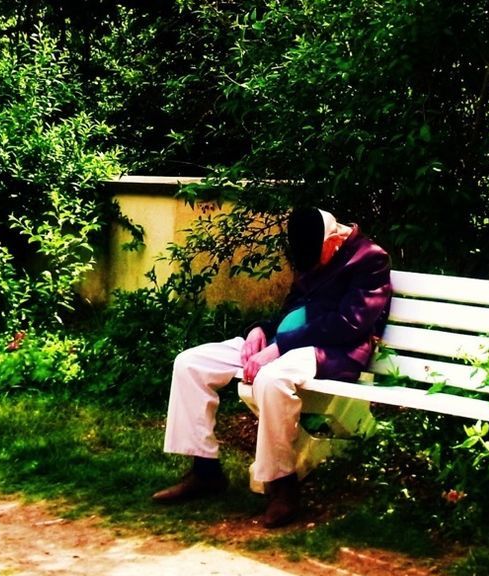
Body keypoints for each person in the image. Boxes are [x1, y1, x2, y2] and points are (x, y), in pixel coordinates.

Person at [152, 207, 392, 528]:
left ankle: (282, 485)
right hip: (288, 344)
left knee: (270, 378)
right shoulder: (315, 250)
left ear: (334, 241)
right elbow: (294, 306)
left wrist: (279, 347)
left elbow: (349, 324)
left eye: (317, 257)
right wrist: (260, 330)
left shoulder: (371, 259)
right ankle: (205, 471)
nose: (311, 266)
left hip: (334, 352)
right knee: (190, 364)